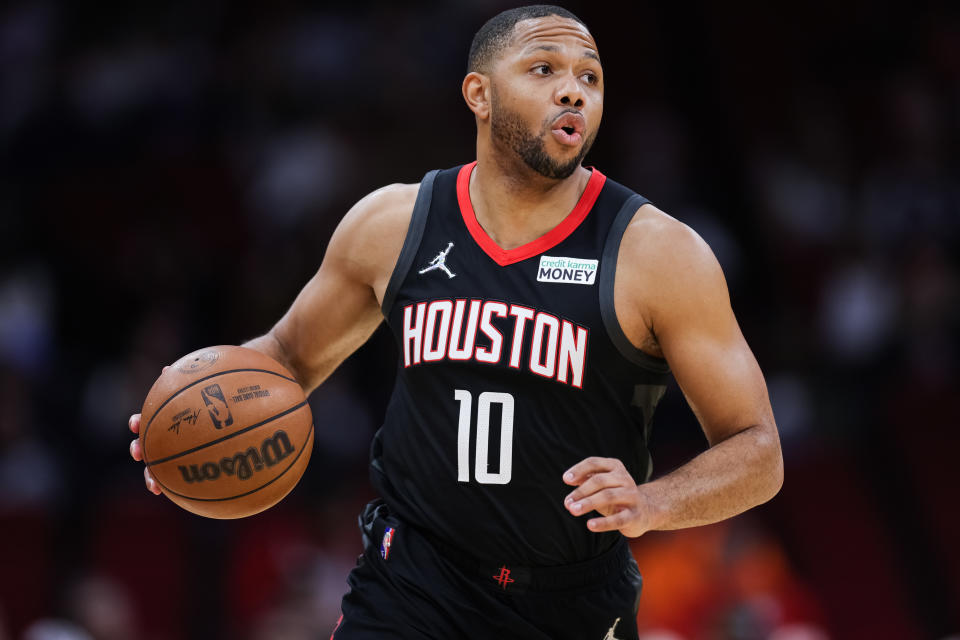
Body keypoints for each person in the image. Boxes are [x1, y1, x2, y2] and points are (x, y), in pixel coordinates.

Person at [128, 5, 783, 639]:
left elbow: (759, 450)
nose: (574, 92)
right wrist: (195, 416)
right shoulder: (392, 224)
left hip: (570, 600)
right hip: (412, 585)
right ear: (479, 93)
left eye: (590, 77)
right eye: (544, 69)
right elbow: (286, 358)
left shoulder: (659, 253)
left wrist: (653, 502)